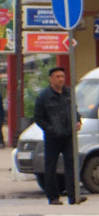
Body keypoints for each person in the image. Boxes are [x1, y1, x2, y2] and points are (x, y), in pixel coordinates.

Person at [34, 66, 85, 205]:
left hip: (68, 136)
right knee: (51, 167)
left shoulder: (68, 92)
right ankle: (53, 197)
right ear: (51, 79)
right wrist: (51, 129)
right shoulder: (44, 96)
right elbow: (38, 118)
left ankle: (74, 196)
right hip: (53, 137)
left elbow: (74, 110)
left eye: (62, 76)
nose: (61, 79)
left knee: (71, 165)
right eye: (57, 76)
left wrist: (78, 121)